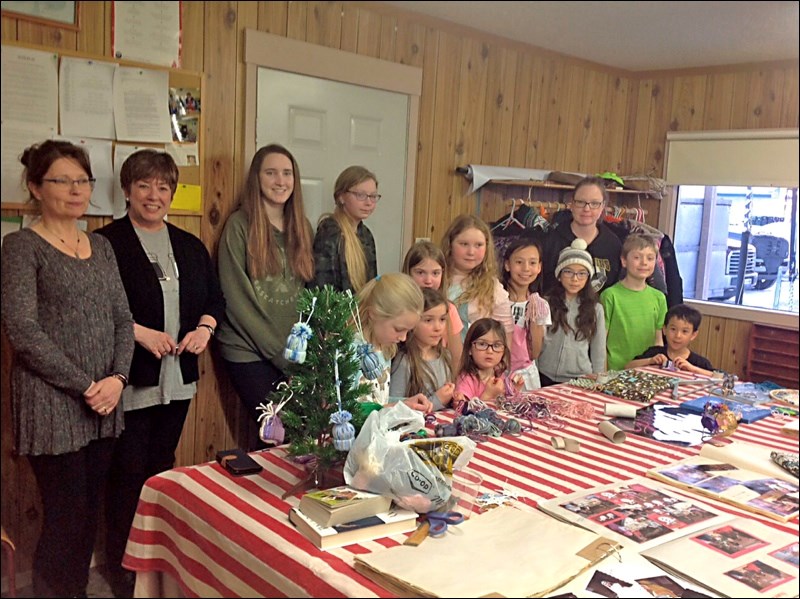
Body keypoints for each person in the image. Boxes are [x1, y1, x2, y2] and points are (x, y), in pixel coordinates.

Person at [0, 140, 135, 598]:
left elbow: (122, 318)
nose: (77, 190)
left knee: (88, 513)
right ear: (37, 187)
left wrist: (116, 380)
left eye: (83, 180)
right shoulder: (20, 246)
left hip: (105, 401)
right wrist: (86, 385)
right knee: (65, 516)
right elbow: (22, 329)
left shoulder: (100, 244)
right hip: (52, 404)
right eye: (63, 180)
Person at [96, 149, 226, 597]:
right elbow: (98, 308)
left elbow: (214, 300)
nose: (154, 195)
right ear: (128, 190)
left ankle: (155, 562)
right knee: (127, 475)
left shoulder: (189, 245)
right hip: (130, 378)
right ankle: (122, 567)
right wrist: (140, 334)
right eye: (145, 185)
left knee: (160, 471)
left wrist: (205, 330)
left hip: (178, 380)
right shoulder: (106, 243)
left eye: (163, 187)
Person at [217, 144, 315, 425]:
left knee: (301, 435)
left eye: (287, 173)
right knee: (277, 432)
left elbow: (308, 295)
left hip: (291, 353)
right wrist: (280, 354)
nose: (280, 181)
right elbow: (236, 299)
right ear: (256, 179)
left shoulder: (302, 227)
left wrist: (300, 353)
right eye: (271, 173)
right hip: (248, 350)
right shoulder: (239, 225)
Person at [352, 272, 432, 412]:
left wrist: (406, 402)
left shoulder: (385, 348)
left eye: (408, 331)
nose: (403, 338)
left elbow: (378, 399)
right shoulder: (349, 350)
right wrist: (397, 407)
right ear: (373, 314)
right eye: (399, 329)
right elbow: (347, 411)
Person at [538, 239, 607, 385]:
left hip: (580, 378)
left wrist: (599, 379)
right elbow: (537, 341)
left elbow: (598, 349)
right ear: (559, 274)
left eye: (582, 273)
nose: (575, 279)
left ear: (589, 277)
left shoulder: (596, 309)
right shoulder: (545, 303)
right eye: (568, 272)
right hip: (544, 375)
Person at [541, 176, 622, 294]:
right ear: (572, 204)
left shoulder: (613, 244)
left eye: (594, 203)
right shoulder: (550, 239)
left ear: (602, 207)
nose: (587, 208)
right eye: (580, 202)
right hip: (555, 309)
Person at [441, 214, 513, 341]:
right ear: (450, 244)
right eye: (464, 244)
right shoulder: (435, 279)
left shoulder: (493, 289)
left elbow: (505, 335)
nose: (471, 252)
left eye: (478, 245)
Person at [601, 234, 668, 371]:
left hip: (647, 371)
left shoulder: (659, 298)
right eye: (637, 257)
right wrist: (603, 372)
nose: (644, 262)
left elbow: (658, 339)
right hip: (616, 371)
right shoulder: (610, 295)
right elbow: (601, 340)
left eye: (650, 258)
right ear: (624, 261)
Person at [312, 165, 379, 292]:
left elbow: (372, 285)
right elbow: (323, 291)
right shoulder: (330, 233)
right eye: (361, 195)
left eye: (373, 196)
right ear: (341, 197)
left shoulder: (366, 234)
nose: (369, 202)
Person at [390, 288, 457, 411]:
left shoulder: (445, 355)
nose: (437, 327)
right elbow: (395, 409)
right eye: (428, 320)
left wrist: (455, 398)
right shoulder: (405, 361)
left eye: (442, 319)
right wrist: (437, 401)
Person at [401, 240, 464, 365]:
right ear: (408, 272)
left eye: (435, 273)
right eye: (420, 272)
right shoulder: (400, 307)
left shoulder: (449, 309)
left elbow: (457, 357)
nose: (428, 280)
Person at [501, 237, 551, 390]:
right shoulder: (495, 299)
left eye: (532, 263)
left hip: (526, 376)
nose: (526, 269)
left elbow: (535, 353)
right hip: (496, 374)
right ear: (507, 265)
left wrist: (534, 319)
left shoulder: (540, 304)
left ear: (539, 267)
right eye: (519, 262)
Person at [626, 303, 714, 376]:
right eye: (673, 329)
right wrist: (650, 360)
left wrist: (692, 368)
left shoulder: (700, 362)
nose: (678, 336)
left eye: (684, 331)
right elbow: (627, 367)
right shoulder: (655, 353)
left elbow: (720, 378)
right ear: (664, 330)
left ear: (693, 335)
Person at [455, 318, 511, 403]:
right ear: (469, 349)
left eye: (496, 345)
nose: (490, 351)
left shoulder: (499, 374)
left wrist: (513, 389)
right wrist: (488, 395)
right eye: (482, 344)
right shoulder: (466, 379)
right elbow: (465, 412)